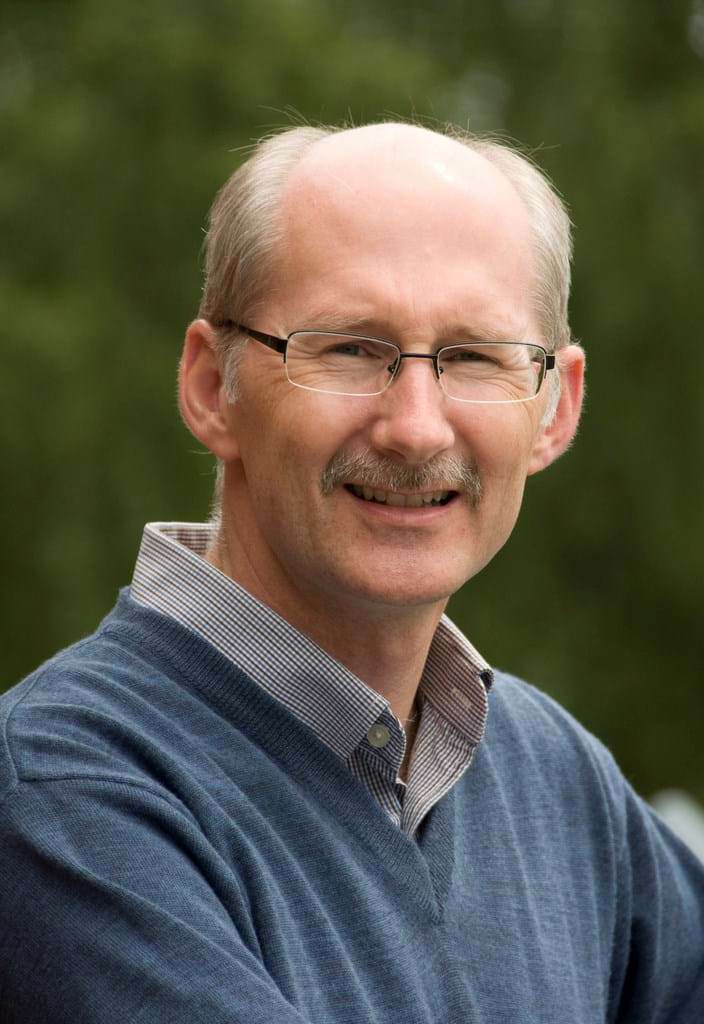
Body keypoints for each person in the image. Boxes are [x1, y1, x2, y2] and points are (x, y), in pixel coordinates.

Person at [0, 121, 702, 1023]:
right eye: (349, 349)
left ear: (555, 409)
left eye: (475, 357)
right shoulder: (67, 796)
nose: (416, 427)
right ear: (213, 388)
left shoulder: (557, 779)